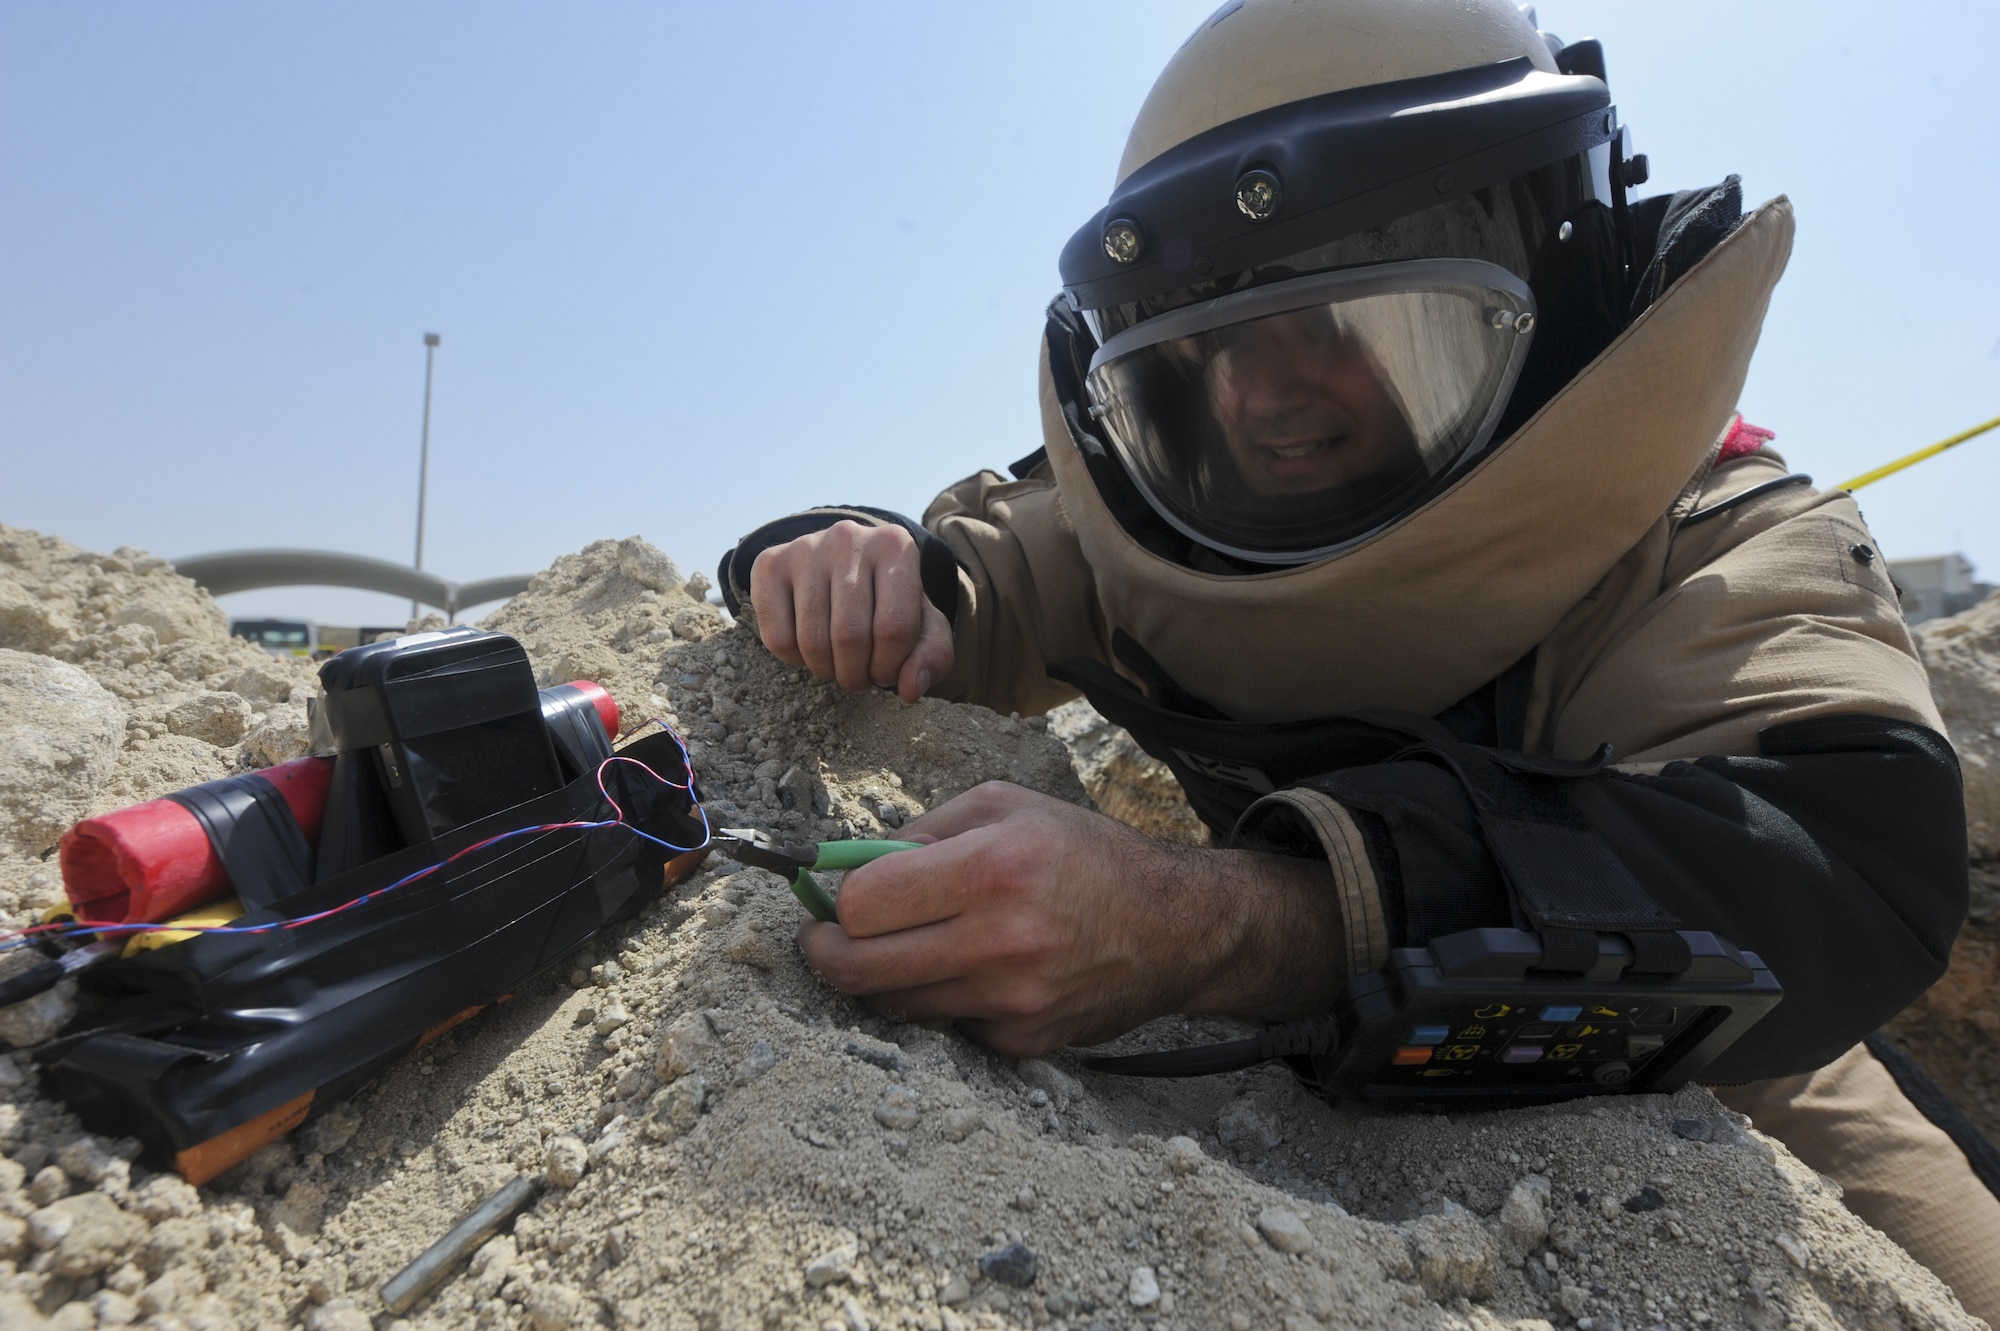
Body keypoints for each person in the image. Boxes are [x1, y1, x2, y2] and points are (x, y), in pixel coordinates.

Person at [717, 0, 2000, 1315]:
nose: (1270, 393)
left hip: (1736, 1069)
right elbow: (988, 576)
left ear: (1548, 296)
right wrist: (866, 570)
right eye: (1217, 337)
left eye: (1366, 319)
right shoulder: (1162, 525)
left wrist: (1219, 924)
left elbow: (1832, 857)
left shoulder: (1706, 536)